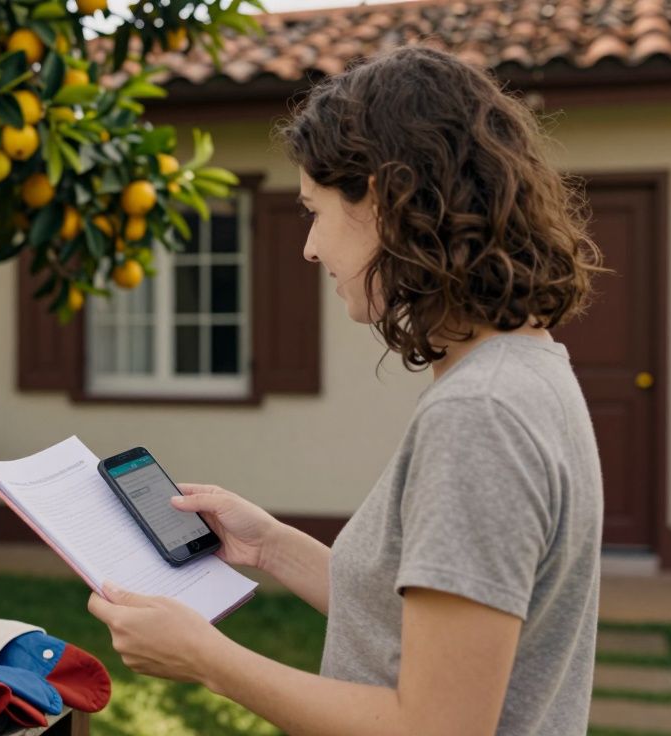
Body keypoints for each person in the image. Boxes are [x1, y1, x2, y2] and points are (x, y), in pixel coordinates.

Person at [88, 46, 605, 734]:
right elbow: (427, 626)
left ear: (388, 201)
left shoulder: (481, 415)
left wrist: (207, 659)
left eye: (315, 209)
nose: (308, 246)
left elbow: (435, 727)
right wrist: (270, 545)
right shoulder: (526, 369)